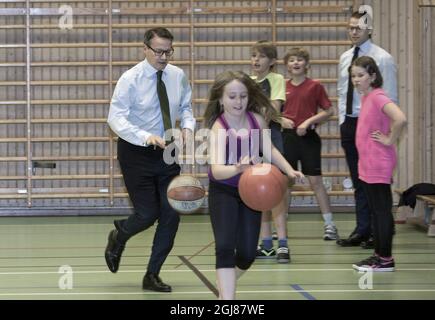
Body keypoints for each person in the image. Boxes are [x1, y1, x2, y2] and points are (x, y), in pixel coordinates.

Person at [105, 27, 195, 292]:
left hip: (168, 153)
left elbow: (186, 107)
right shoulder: (130, 79)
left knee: (171, 215)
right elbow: (116, 118)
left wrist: (188, 127)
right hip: (136, 153)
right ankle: (119, 234)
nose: (164, 56)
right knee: (147, 214)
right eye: (158, 51)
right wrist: (146, 137)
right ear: (145, 49)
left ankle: (152, 274)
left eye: (168, 51)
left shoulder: (178, 76)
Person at [204, 70, 303, 300]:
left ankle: (225, 283)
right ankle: (227, 299)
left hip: (250, 193)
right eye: (232, 96)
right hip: (224, 191)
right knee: (226, 246)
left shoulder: (256, 120)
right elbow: (217, 170)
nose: (238, 101)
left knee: (248, 255)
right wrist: (238, 168)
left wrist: (289, 170)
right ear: (221, 99)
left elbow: (270, 150)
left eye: (243, 96)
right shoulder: (219, 128)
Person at [337, 10, 398, 248]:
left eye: (358, 28)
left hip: (373, 124)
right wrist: (344, 120)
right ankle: (363, 229)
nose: (353, 32)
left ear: (369, 28)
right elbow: (343, 92)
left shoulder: (382, 58)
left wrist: (387, 133)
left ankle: (380, 231)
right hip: (351, 123)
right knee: (358, 180)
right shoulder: (345, 58)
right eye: (350, 27)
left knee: (375, 182)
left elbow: (390, 97)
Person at [350, 56, 406, 271]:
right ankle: (378, 255)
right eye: (353, 76)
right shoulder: (366, 98)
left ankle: (385, 259)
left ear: (372, 76)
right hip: (368, 163)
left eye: (361, 75)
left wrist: (390, 139)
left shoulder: (377, 96)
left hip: (378, 163)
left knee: (381, 211)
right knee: (376, 211)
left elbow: (400, 118)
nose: (356, 80)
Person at [281, 47, 338, 240]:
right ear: (287, 65)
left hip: (308, 139)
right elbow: (271, 112)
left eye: (299, 60)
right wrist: (281, 120)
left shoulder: (315, 86)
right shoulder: (281, 86)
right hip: (287, 138)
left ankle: (330, 225)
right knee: (286, 182)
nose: (295, 63)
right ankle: (280, 227)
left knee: (315, 181)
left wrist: (308, 122)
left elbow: (329, 111)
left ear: (306, 64)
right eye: (291, 60)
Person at [250, 41, 290, 263]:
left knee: (275, 192)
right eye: (254, 56)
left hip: (270, 137)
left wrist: (257, 119)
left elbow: (273, 109)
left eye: (261, 56)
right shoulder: (247, 82)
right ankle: (266, 244)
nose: (256, 60)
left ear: (272, 61)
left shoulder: (276, 80)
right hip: (252, 139)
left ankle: (282, 243)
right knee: (258, 191)